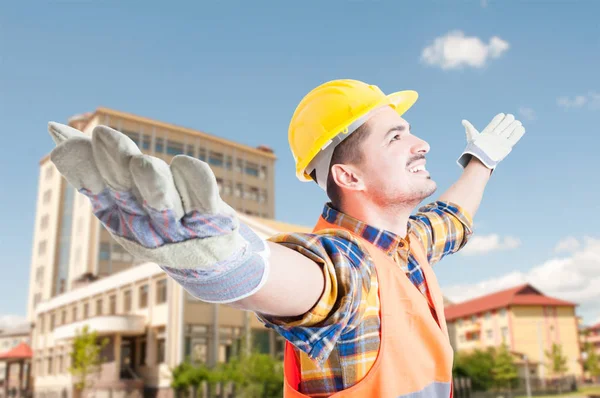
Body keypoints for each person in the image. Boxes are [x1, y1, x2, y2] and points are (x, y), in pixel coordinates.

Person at [47, 78, 525, 397]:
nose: (421, 144)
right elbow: (305, 280)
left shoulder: (408, 246)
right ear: (348, 176)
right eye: (396, 137)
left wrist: (480, 159)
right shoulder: (345, 264)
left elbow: (452, 217)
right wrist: (226, 261)